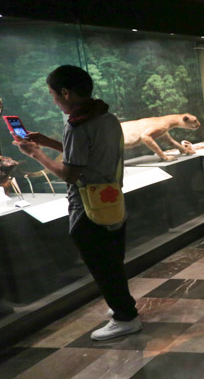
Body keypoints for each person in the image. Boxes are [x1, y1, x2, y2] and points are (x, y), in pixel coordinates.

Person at [15, 65, 140, 340]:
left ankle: (125, 317)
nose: (53, 101)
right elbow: (90, 155)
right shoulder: (106, 117)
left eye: (53, 95)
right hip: (112, 198)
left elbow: (70, 173)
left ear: (65, 92)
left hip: (88, 205)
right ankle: (122, 306)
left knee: (100, 262)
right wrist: (50, 143)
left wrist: (36, 153)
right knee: (112, 258)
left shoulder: (76, 125)